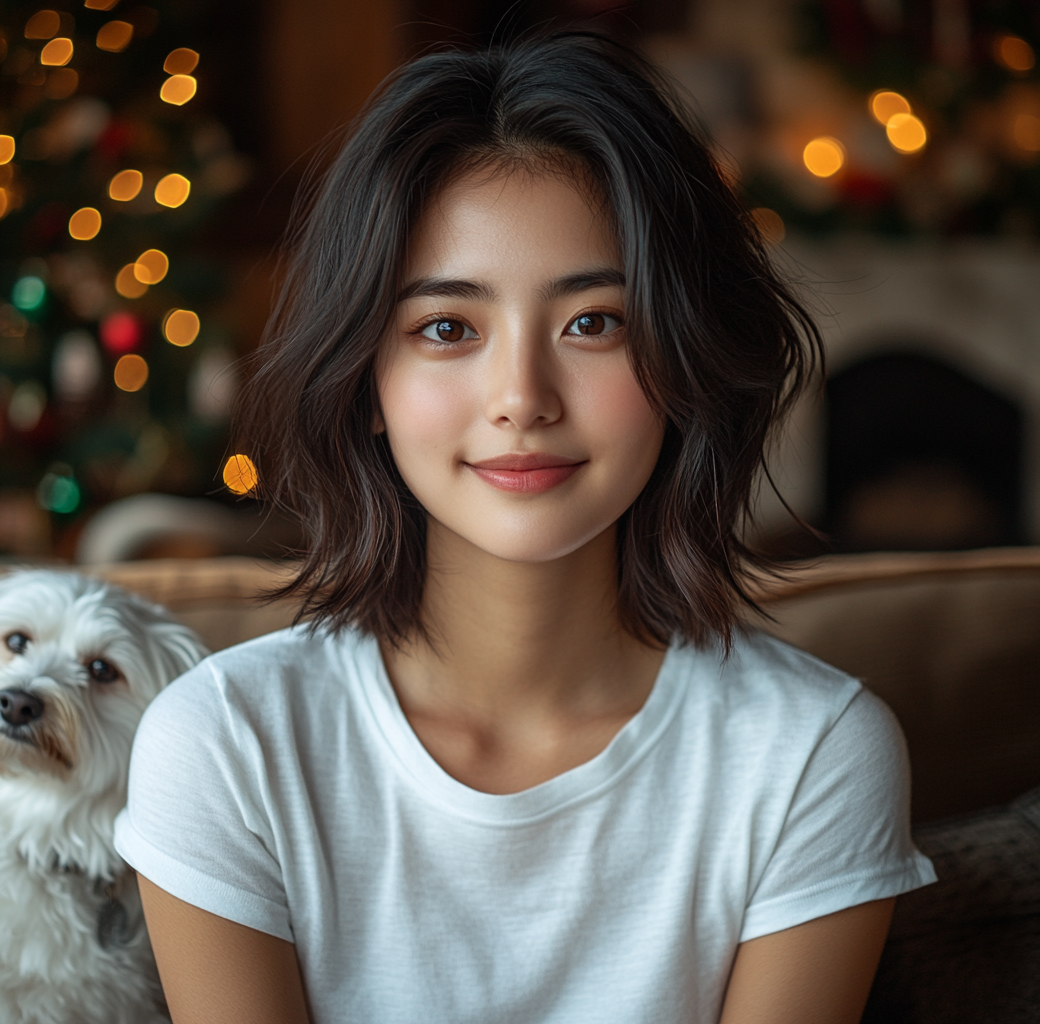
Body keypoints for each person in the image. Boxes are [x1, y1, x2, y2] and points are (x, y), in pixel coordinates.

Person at [114, 32, 936, 1024]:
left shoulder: (809, 752)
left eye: (593, 321)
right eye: (447, 328)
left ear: (680, 362)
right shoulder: (224, 744)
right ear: (367, 379)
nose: (520, 397)